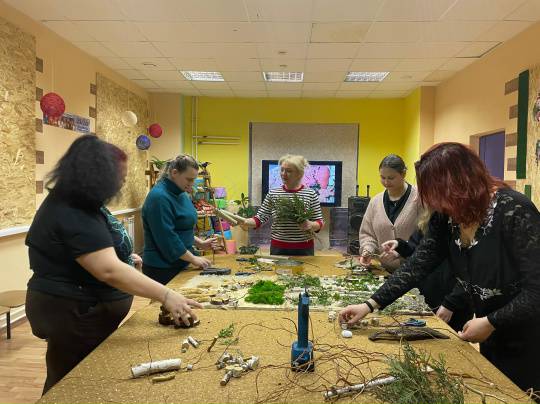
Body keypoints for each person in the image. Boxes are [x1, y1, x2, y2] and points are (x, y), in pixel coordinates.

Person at [339, 142, 540, 394]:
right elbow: (418, 264)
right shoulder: (447, 215)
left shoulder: (513, 209)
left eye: (436, 192)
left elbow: (536, 289)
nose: (432, 201)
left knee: (524, 393)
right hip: (491, 333)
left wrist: (492, 321)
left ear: (458, 183)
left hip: (528, 335)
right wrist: (369, 305)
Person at [25, 135, 202, 394]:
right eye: (118, 176)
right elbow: (107, 269)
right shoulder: (71, 209)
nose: (121, 182)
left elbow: (93, 254)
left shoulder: (81, 204)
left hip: (83, 311)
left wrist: (126, 258)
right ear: (96, 174)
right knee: (70, 383)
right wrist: (166, 295)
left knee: (85, 376)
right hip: (72, 313)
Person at [381, 210, 474, 332]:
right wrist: (400, 246)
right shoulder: (433, 217)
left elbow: (471, 273)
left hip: (455, 303)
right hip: (427, 296)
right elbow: (420, 252)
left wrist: (451, 303)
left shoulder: (469, 224)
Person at [142, 154, 218, 284]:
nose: (192, 184)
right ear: (174, 173)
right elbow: (167, 238)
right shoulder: (159, 198)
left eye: (194, 180)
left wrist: (199, 243)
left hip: (181, 262)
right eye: (189, 179)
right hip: (162, 269)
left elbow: (181, 229)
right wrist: (193, 259)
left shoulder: (181, 193)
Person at [241, 154, 324, 256]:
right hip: (279, 248)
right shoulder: (273, 193)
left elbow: (319, 222)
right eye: (282, 170)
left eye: (289, 171)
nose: (283, 174)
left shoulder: (310, 194)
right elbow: (259, 219)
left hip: (304, 248)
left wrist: (310, 225)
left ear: (299, 174)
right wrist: (243, 221)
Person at [358, 154, 421, 271]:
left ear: (403, 174)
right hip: (384, 271)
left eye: (391, 178)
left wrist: (404, 250)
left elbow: (426, 235)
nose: (386, 182)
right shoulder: (375, 202)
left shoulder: (419, 198)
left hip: (414, 270)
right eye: (383, 177)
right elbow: (368, 234)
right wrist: (367, 250)